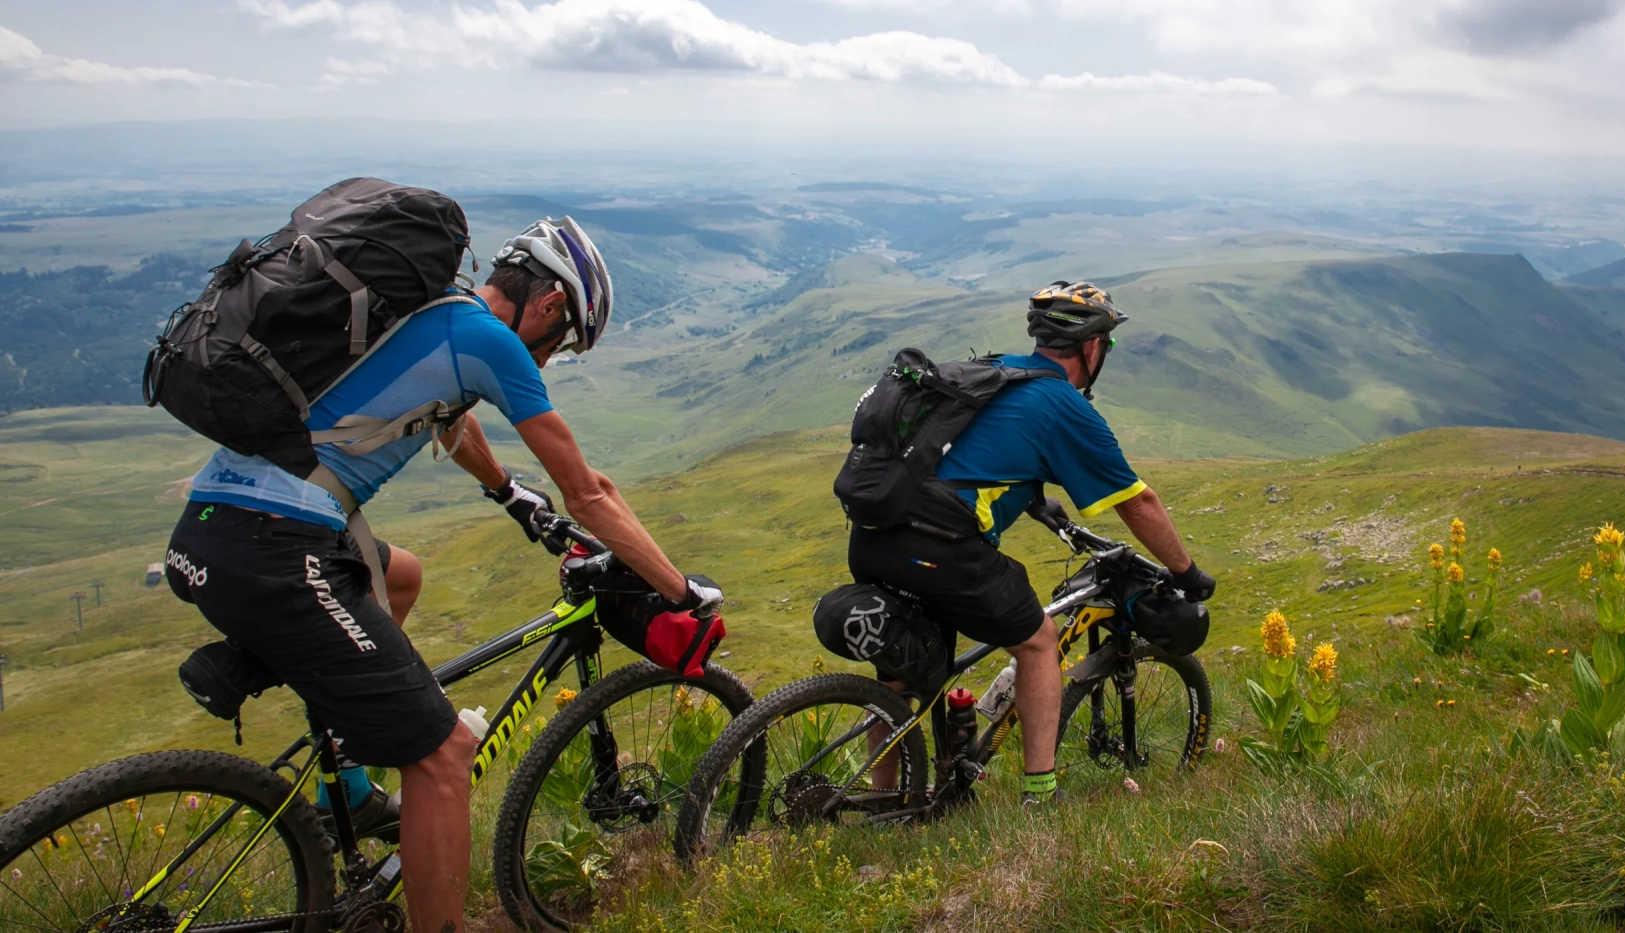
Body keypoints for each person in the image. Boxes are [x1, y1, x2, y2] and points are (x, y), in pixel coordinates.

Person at [163, 217, 720, 933]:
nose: (550, 359)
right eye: (563, 341)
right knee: (444, 755)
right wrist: (678, 589)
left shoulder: (436, 318)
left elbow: (447, 418)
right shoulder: (490, 339)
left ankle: (355, 786)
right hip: (279, 547)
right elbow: (590, 493)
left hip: (216, 526)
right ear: (549, 304)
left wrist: (508, 492)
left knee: (403, 579)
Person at [846, 280, 1216, 806]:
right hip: (939, 547)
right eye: (1105, 345)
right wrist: (1185, 572)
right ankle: (1041, 792)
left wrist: (1033, 498)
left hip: (873, 534)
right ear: (1092, 346)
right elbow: (1138, 503)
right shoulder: (1062, 402)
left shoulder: (995, 370)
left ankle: (887, 804)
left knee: (903, 676)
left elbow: (976, 451)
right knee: (1039, 641)